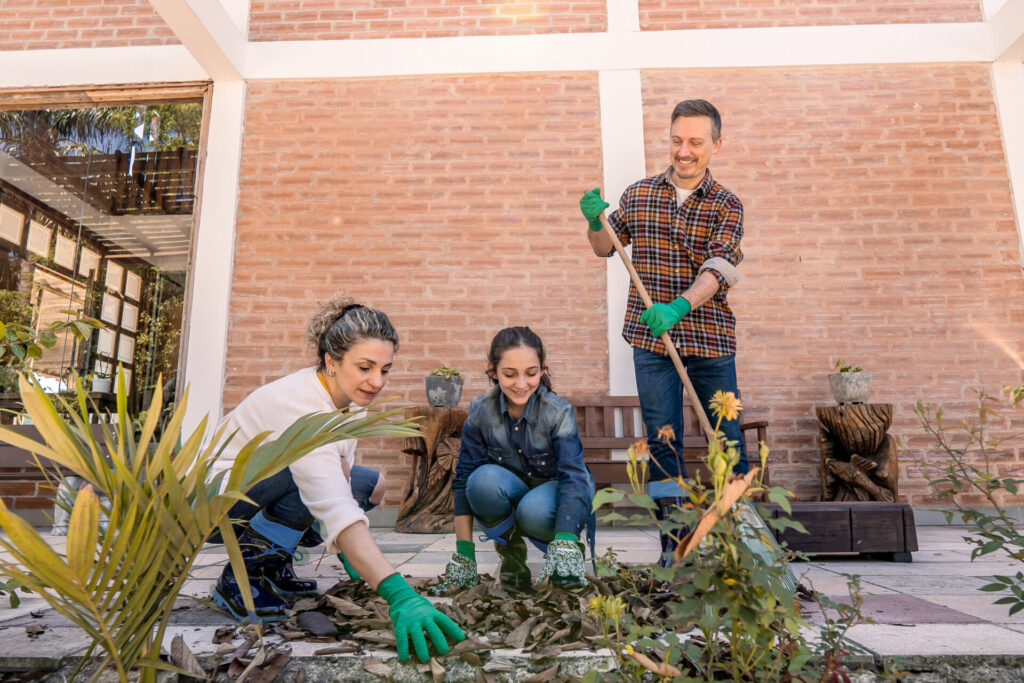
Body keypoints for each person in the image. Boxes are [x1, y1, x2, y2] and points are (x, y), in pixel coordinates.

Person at [209, 295, 464, 662]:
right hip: (212, 504)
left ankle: (273, 561)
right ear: (332, 361)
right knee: (305, 476)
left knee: (367, 484)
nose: (376, 381)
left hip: (258, 488)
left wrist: (356, 558)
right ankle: (241, 574)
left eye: (385, 369)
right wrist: (397, 592)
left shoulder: (347, 402)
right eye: (365, 367)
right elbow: (328, 498)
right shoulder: (302, 403)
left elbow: (341, 478)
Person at [579, 99, 748, 566]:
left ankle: (737, 546)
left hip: (710, 338)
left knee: (727, 440)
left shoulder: (726, 204)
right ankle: (675, 549)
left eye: (695, 142)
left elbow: (720, 267)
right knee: (663, 442)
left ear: (716, 144)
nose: (684, 151)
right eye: (677, 140)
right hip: (651, 343)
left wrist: (678, 306)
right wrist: (594, 221)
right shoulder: (639, 194)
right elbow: (604, 249)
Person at [432, 326, 594, 593]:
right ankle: (511, 558)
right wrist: (464, 554)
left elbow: (574, 477)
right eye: (509, 374)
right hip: (513, 491)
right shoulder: (480, 412)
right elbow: (462, 481)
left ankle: (566, 551)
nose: (521, 384)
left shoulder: (557, 412)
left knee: (532, 509)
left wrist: (565, 537)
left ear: (542, 370)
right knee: (481, 481)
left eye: (531, 374)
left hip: (557, 497)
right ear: (493, 371)